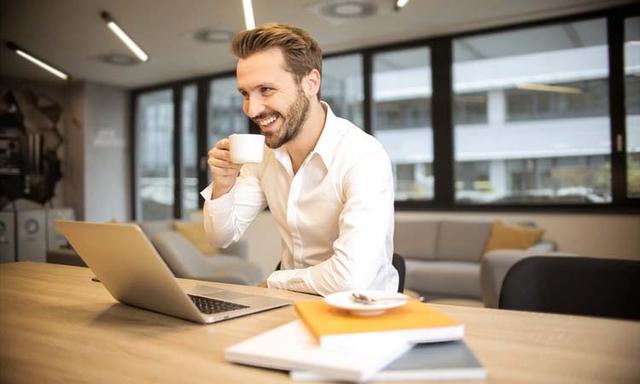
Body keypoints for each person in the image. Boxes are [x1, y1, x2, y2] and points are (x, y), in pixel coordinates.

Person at [201, 23, 397, 296]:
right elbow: (221, 237)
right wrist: (222, 185)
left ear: (310, 83)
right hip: (290, 306)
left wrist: (275, 280)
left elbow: (351, 278)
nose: (252, 109)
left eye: (266, 90)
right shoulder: (265, 155)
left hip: (359, 313)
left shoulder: (363, 156)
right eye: (245, 94)